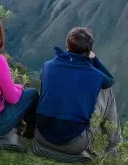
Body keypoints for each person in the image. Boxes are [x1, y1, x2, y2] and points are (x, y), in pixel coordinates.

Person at [34, 27, 121, 158]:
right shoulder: (95, 75)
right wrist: (94, 58)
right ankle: (114, 148)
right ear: (88, 51)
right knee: (106, 91)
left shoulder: (48, 66)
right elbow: (109, 81)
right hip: (73, 144)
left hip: (41, 135)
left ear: (67, 45)